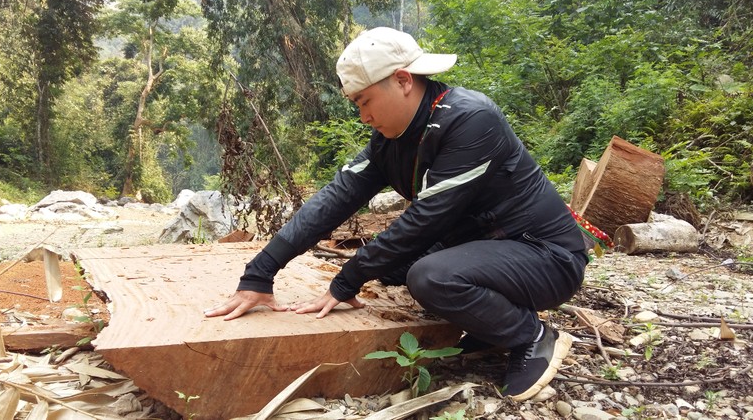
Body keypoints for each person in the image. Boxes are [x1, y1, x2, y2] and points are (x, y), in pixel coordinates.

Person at [204, 27, 588, 401]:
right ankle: (490, 328)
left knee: (430, 276)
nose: (363, 117)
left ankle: (530, 335)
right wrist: (260, 272)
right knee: (393, 268)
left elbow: (425, 220)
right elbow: (335, 199)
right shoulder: (392, 139)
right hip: (490, 250)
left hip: (546, 257)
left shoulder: (471, 119)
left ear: (403, 80)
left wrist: (345, 282)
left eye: (364, 101)